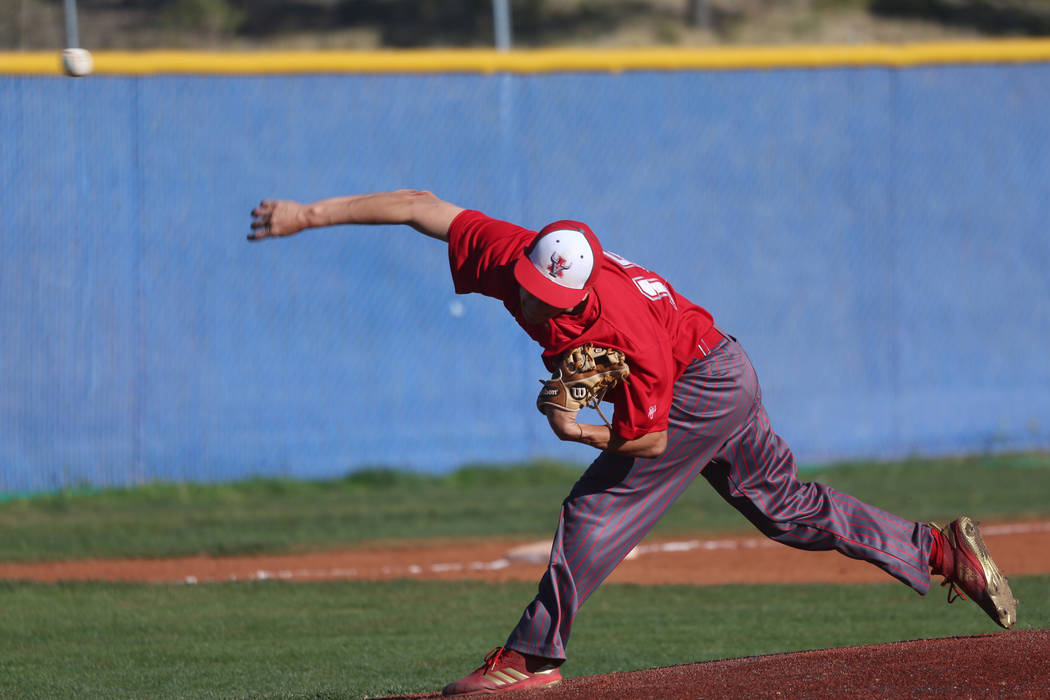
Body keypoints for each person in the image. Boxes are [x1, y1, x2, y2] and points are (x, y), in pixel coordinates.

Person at [248, 189, 1017, 696]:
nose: (539, 308)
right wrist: (307, 217)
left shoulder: (624, 329)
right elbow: (420, 206)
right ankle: (940, 551)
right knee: (785, 508)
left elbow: (646, 447)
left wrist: (573, 427)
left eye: (557, 303)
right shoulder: (515, 255)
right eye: (533, 291)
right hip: (718, 359)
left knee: (593, 512)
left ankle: (533, 658)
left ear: (582, 290)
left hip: (701, 381)